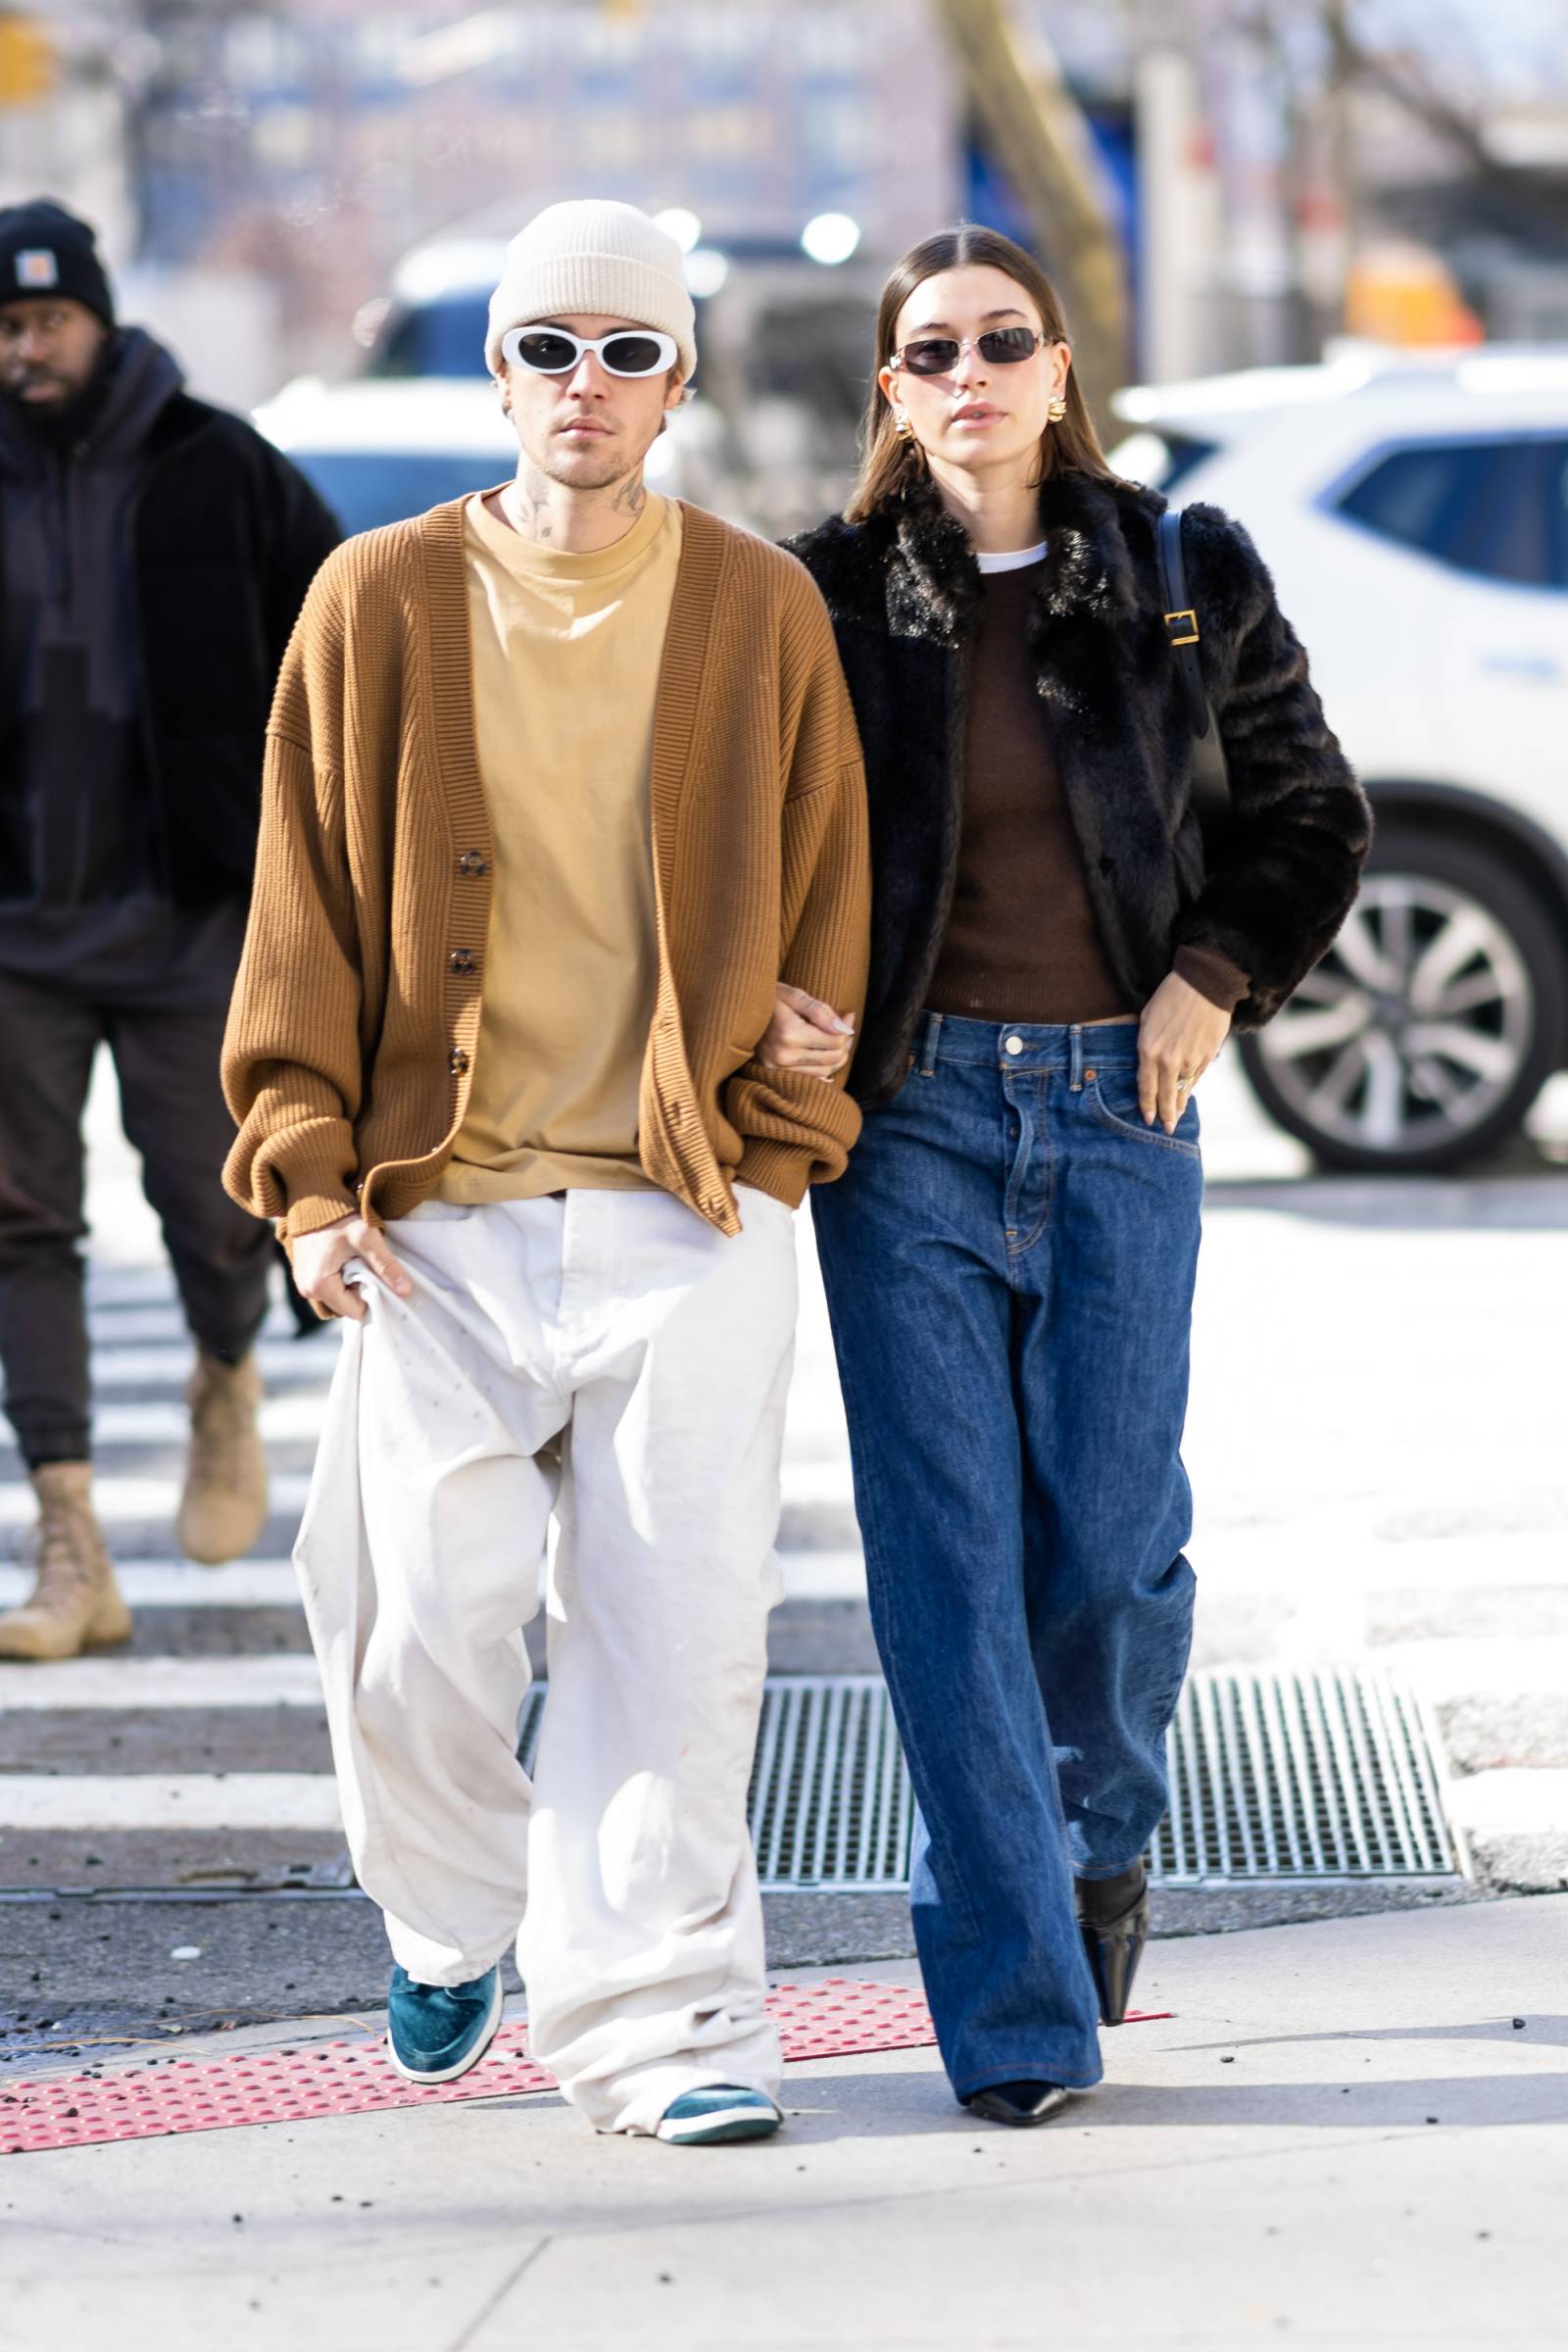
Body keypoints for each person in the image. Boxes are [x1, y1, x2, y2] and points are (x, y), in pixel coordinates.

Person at [220, 201, 868, 2145]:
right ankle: (440, 1916)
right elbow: (304, 908)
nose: (584, 386)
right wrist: (310, 1178)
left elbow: (830, 873)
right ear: (494, 372)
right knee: (421, 1612)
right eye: (547, 348)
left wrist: (794, 1101)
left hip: (686, 1206)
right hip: (439, 1211)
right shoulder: (378, 598)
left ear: (676, 382)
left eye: (626, 350)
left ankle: (666, 2029)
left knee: (679, 1639)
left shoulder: (757, 606)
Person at [765, 224, 1371, 2125]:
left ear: (1052, 365)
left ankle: (1096, 1834)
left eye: (996, 340)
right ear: (887, 386)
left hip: (1126, 1108)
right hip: (912, 1121)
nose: (964, 373)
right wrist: (772, 1000)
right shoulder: (826, 597)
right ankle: (1017, 2015)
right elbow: (735, 844)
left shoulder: (1178, 570)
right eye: (926, 348)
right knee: (945, 1571)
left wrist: (1209, 980)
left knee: (1106, 1552)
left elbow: (1305, 814)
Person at [0, 201, 339, 1662]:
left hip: (191, 916)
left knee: (215, 1206)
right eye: (3, 331)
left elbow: (342, 645)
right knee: (21, 1227)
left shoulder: (219, 465)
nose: (24, 352)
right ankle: (69, 1544)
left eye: (44, 322)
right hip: (15, 933)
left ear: (97, 315)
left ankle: (223, 1366)